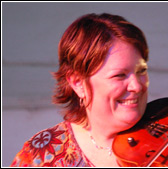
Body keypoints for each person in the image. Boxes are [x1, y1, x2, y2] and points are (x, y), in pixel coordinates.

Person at [10, 13, 149, 167]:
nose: (136, 86)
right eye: (120, 75)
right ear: (78, 83)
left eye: (141, 71)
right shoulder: (41, 156)